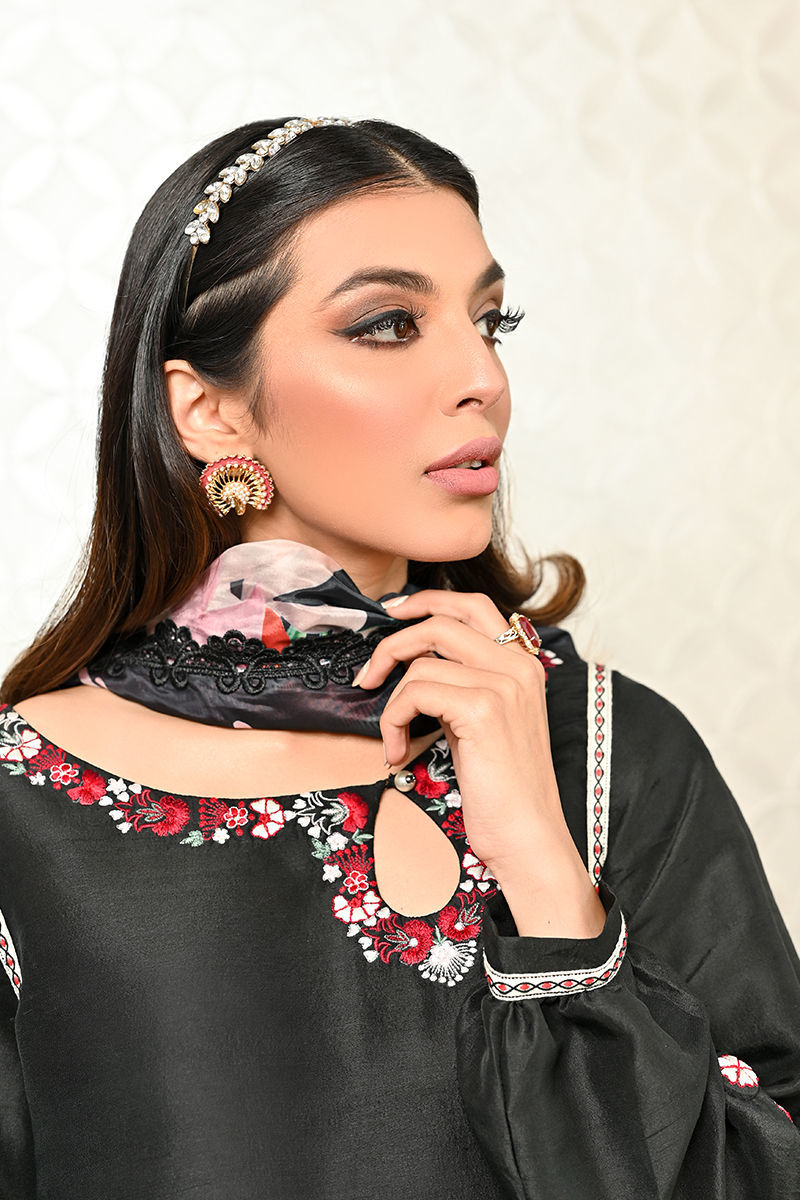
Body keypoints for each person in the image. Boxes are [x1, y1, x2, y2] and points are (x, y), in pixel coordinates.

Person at [0, 115, 797, 1200]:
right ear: (210, 410)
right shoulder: (22, 802)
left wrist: (549, 882)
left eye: (490, 321)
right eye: (387, 325)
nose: (481, 375)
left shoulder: (610, 747)